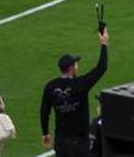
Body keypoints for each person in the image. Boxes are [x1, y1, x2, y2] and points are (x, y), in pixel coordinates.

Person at [41, 27, 111, 156]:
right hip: (79, 144)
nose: (77, 66)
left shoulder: (50, 87)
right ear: (71, 68)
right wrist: (104, 43)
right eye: (76, 64)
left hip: (61, 142)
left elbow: (44, 112)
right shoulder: (80, 84)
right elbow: (101, 67)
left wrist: (45, 133)